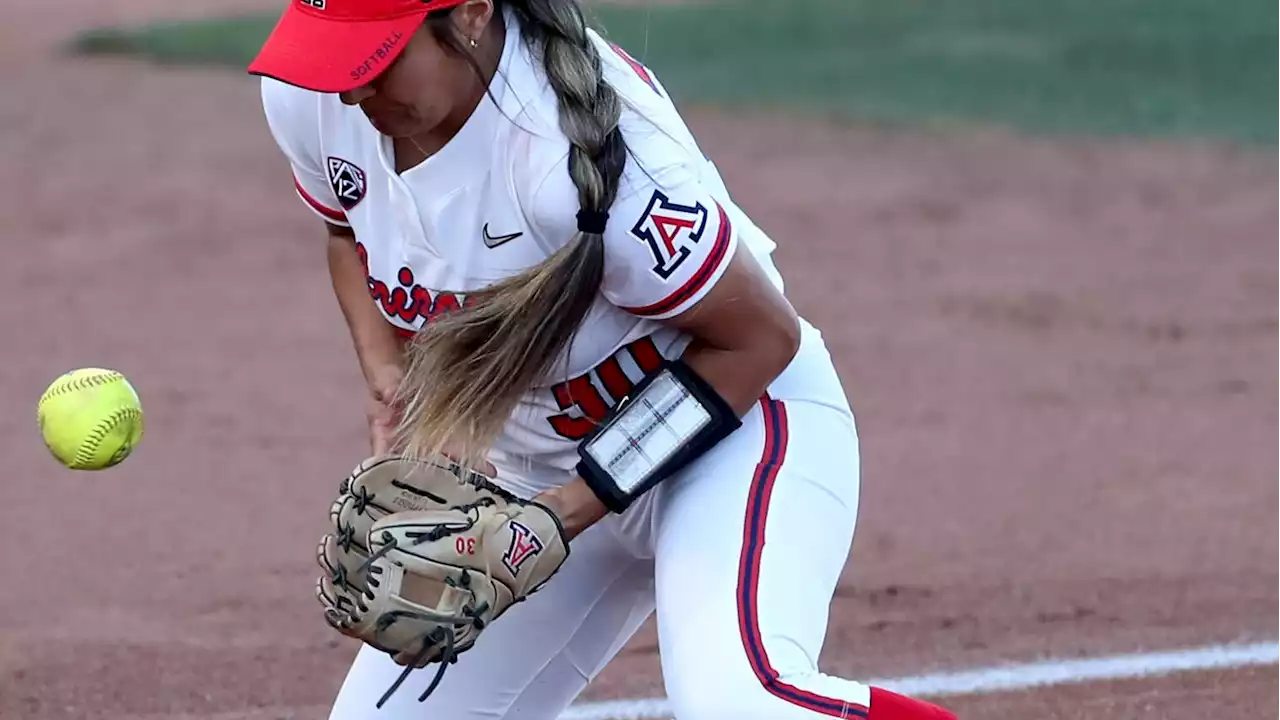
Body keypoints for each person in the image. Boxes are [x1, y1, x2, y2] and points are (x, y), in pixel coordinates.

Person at [247, 0, 959, 718]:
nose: (348, 92)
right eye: (335, 60)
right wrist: (395, 383)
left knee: (741, 704)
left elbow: (760, 339)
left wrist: (563, 513)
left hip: (730, 437)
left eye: (374, 62)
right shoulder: (313, 102)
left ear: (468, 14)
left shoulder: (573, 161)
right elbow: (347, 231)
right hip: (535, 473)